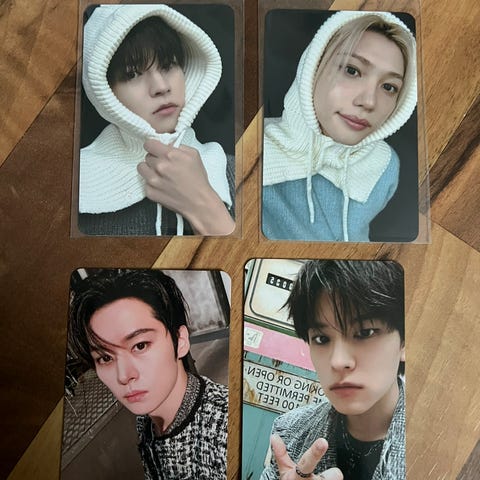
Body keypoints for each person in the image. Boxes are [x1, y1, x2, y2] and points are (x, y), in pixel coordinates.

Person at [78, 4, 235, 236]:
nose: (161, 87)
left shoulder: (233, 171)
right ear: (104, 90)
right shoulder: (76, 182)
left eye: (168, 64)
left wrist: (205, 207)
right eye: (132, 73)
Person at [262, 11, 417, 242]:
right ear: (313, 67)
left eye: (389, 87)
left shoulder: (385, 164)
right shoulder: (254, 151)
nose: (369, 102)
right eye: (352, 70)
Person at [68, 269, 228, 479]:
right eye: (105, 358)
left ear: (180, 341)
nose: (124, 376)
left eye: (140, 345)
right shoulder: (146, 421)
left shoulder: (224, 430)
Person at [260, 260, 405, 480]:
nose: (338, 361)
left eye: (364, 332)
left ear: (404, 343)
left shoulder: (443, 442)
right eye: (321, 338)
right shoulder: (289, 432)